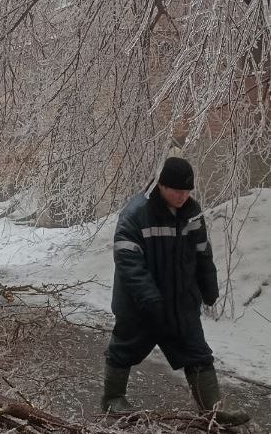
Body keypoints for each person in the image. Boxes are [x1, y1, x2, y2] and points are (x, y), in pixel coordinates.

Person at [101, 156, 250, 425]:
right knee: (124, 348)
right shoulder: (136, 213)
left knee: (198, 353)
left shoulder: (192, 213)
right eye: (176, 190)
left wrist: (208, 286)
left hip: (181, 301)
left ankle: (213, 412)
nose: (183, 196)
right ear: (161, 185)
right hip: (140, 305)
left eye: (187, 191)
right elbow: (128, 261)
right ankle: (112, 399)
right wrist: (149, 297)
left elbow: (203, 252)